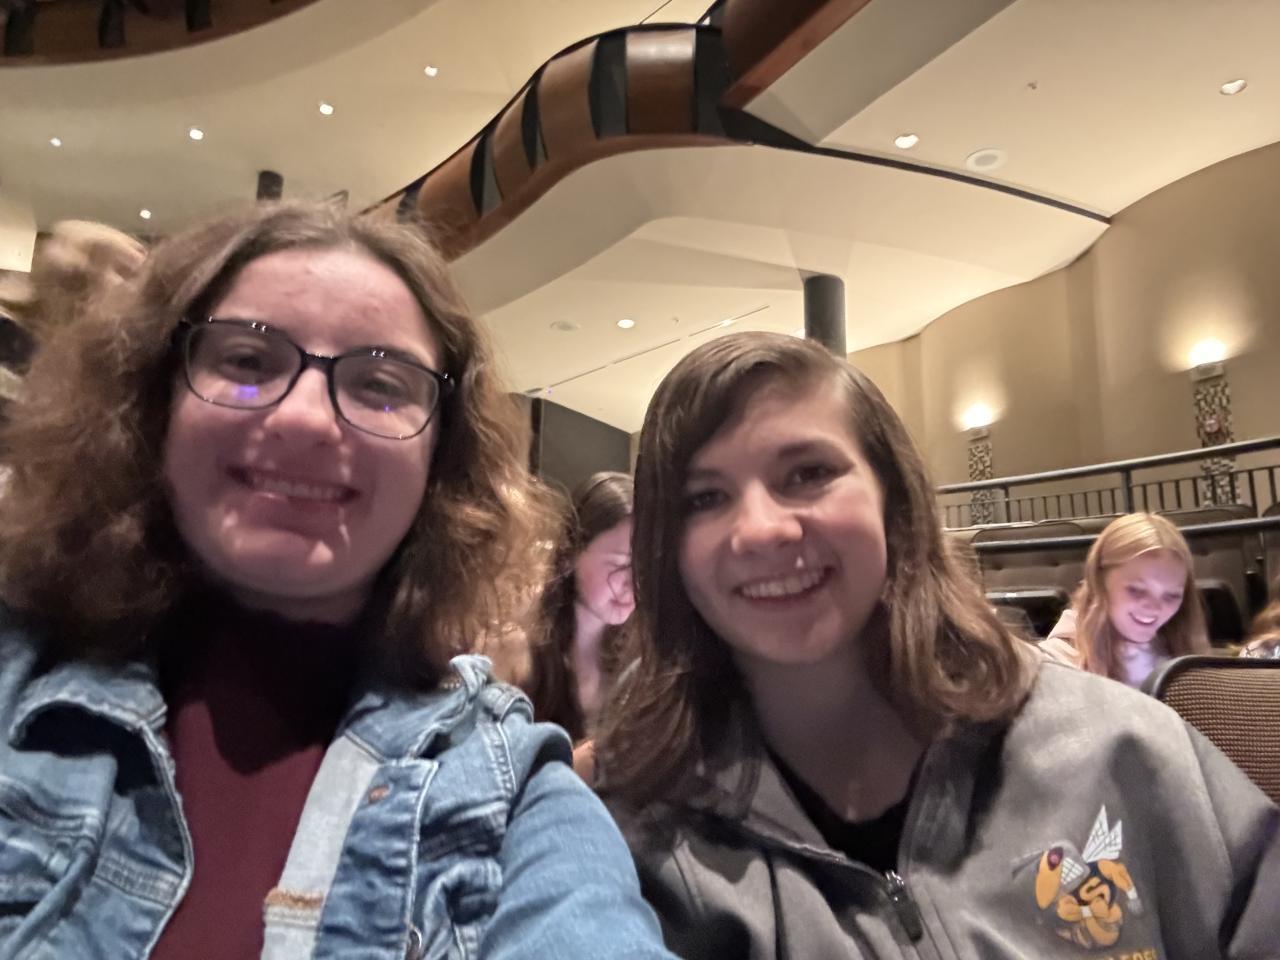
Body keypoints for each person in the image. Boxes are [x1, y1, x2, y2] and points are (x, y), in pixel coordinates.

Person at [0, 202, 673, 959]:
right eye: (247, 362)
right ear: (155, 403)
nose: (308, 420)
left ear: (441, 461)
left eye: (380, 385)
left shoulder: (506, 785)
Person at [596, 331, 1279, 959]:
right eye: (704, 498)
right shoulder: (629, 846)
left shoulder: (1124, 749)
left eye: (806, 473)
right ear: (667, 551)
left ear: (893, 499)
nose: (761, 529)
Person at [1040, 513, 1211, 687]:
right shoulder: (1052, 664)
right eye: (1136, 590)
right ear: (1099, 580)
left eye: (1171, 596)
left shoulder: (1184, 661)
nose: (1154, 608)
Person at [526, 471, 635, 744]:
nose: (634, 582)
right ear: (570, 554)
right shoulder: (521, 651)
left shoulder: (644, 654)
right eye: (620, 564)